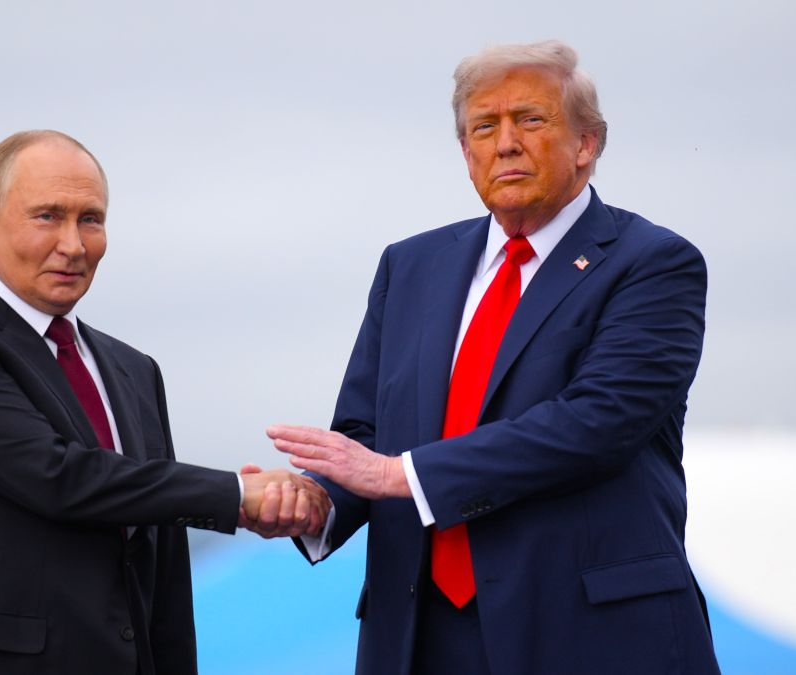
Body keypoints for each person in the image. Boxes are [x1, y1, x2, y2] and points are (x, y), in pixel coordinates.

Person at [268, 41, 721, 673]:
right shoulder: (410, 265)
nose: (505, 143)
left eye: (530, 120)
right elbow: (366, 436)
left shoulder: (652, 263)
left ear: (587, 143)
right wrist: (312, 500)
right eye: (484, 127)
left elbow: (597, 423)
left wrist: (400, 477)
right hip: (418, 637)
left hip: (588, 634)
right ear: (465, 153)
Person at [0, 130, 327, 675]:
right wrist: (236, 494)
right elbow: (58, 478)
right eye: (48, 216)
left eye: (90, 219)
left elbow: (159, 560)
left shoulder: (133, 370)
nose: (73, 244)